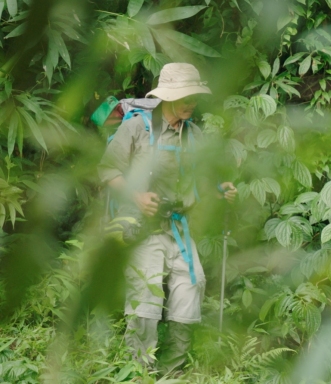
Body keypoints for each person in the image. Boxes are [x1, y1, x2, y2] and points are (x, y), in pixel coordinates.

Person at [97, 63, 237, 375]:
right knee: (145, 301)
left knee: (191, 289)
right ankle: (138, 372)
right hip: (141, 226)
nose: (191, 102)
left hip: (179, 228)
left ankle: (172, 372)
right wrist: (137, 197)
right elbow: (108, 170)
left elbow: (199, 184)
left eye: (193, 96)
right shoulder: (137, 127)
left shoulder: (195, 135)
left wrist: (219, 191)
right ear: (168, 96)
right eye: (185, 96)